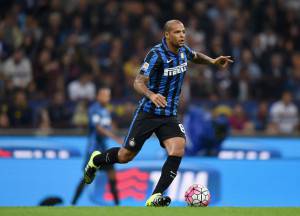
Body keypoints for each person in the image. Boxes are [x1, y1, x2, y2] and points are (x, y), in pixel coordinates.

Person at [83, 20, 233, 207]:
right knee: (124, 156)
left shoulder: (183, 50)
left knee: (178, 147)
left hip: (169, 114)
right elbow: (138, 82)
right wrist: (151, 94)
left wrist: (212, 61)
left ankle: (155, 196)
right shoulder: (156, 54)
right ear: (167, 35)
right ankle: (96, 160)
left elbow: (195, 56)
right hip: (148, 113)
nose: (182, 35)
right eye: (177, 32)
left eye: (183, 32)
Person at [71, 87, 123, 205]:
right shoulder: (93, 109)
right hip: (93, 150)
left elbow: (108, 127)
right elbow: (98, 128)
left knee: (112, 176)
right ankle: (73, 204)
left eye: (108, 96)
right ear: (98, 96)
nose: (107, 98)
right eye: (104, 95)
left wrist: (114, 130)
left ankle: (118, 206)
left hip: (104, 149)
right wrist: (115, 138)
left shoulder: (106, 111)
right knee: (87, 177)